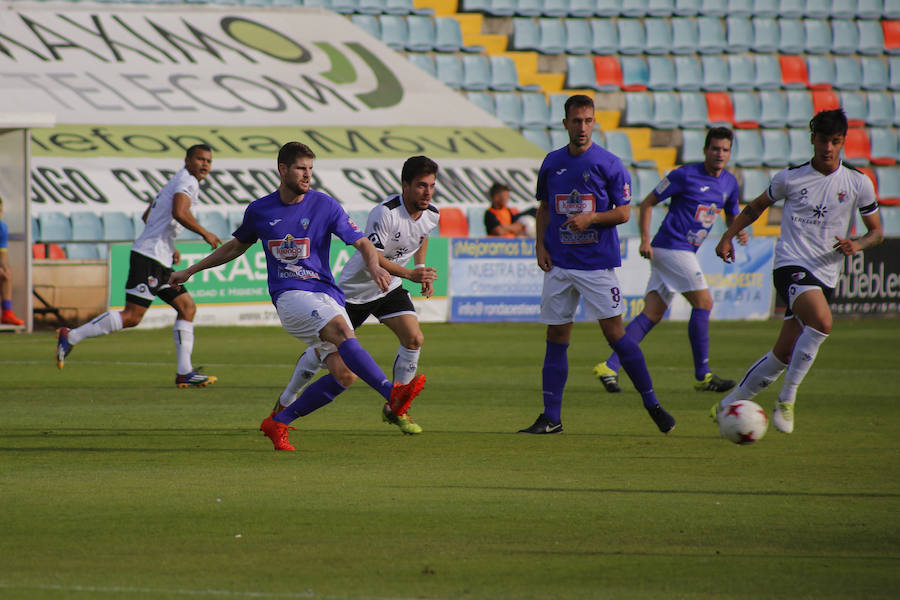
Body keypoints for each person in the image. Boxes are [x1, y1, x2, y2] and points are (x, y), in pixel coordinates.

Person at [169, 142, 426, 451]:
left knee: (345, 376)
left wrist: (374, 267)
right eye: (301, 169)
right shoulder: (261, 210)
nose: (307, 175)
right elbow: (235, 247)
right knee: (344, 332)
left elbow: (362, 243)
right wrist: (191, 271)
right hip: (290, 295)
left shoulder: (325, 205)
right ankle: (391, 393)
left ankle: (278, 422)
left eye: (310, 169)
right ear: (283, 170)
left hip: (328, 295)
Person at [712, 109, 883, 434]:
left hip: (826, 273)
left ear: (843, 142)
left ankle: (727, 405)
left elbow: (875, 231)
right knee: (822, 322)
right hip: (790, 264)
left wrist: (856, 245)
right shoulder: (790, 178)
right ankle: (786, 400)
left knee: (784, 352)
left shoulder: (858, 182)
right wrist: (727, 235)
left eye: (835, 141)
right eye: (822, 140)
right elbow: (756, 207)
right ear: (812, 140)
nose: (828, 148)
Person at [519, 94, 676, 435]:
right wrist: (540, 245)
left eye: (588, 120)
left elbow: (623, 212)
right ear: (565, 123)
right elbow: (545, 207)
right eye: (576, 120)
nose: (582, 127)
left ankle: (652, 403)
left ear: (595, 123)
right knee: (556, 335)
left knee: (615, 335)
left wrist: (591, 218)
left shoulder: (609, 164)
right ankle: (551, 418)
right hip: (559, 263)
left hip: (597, 265)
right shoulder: (552, 162)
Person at [271, 155, 441, 435]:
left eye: (432, 186)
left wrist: (419, 267)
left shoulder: (432, 213)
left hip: (389, 288)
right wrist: (409, 274)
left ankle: (396, 407)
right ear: (405, 185)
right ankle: (286, 400)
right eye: (422, 186)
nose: (428, 192)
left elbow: (423, 235)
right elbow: (370, 254)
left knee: (414, 338)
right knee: (322, 351)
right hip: (353, 292)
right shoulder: (385, 213)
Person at [593, 127, 747, 394]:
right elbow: (648, 202)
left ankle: (609, 366)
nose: (719, 154)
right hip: (672, 247)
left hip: (682, 251)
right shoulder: (684, 175)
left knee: (652, 313)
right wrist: (643, 238)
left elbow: (733, 214)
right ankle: (703, 375)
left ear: (730, 153)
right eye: (715, 148)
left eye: (724, 150)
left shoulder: (730, 183)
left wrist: (735, 233)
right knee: (704, 303)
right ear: (705, 150)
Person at [55, 144, 222, 388]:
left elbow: (148, 216)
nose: (205, 164)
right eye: (200, 159)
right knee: (132, 316)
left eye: (209, 160)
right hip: (149, 258)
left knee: (187, 307)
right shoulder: (187, 181)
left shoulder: (176, 181)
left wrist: (168, 244)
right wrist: (205, 233)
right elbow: (179, 212)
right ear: (187, 160)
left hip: (159, 258)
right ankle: (71, 336)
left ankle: (184, 372)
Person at [0, 197, 25, 326]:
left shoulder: (2, 228)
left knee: (7, 274)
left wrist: (4, 268)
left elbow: (2, 253)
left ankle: (7, 313)